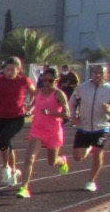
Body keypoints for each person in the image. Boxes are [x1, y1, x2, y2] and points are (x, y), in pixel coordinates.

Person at [15, 67, 71, 198]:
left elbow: (67, 114)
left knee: (51, 162)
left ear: (56, 81)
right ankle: (24, 188)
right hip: (37, 130)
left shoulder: (59, 94)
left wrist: (51, 113)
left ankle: (62, 161)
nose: (46, 83)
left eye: (50, 80)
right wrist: (29, 109)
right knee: (29, 158)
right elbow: (34, 104)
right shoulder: (38, 92)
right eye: (44, 80)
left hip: (53, 131)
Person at [69, 63, 110, 193]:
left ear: (106, 75)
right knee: (78, 157)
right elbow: (72, 103)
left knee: (98, 153)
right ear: (91, 74)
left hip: (102, 127)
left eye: (100, 73)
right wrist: (73, 116)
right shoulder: (82, 88)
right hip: (83, 127)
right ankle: (90, 147)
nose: (97, 75)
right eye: (95, 72)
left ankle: (91, 181)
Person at [0, 56, 35, 186]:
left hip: (17, 117)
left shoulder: (24, 81)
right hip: (0, 117)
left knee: (4, 140)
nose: (9, 72)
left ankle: (6, 168)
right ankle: (14, 171)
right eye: (7, 69)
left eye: (12, 70)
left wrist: (31, 107)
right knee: (5, 145)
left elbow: (36, 93)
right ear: (3, 70)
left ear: (18, 70)